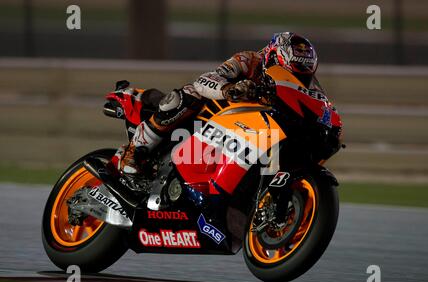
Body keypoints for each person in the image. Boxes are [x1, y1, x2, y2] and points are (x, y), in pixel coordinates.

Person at [108, 32, 322, 179]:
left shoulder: (303, 86)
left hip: (247, 131)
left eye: (301, 75)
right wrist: (229, 89)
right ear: (274, 57)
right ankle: (133, 152)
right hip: (210, 116)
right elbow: (205, 80)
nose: (293, 78)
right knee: (188, 95)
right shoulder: (249, 60)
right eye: (289, 70)